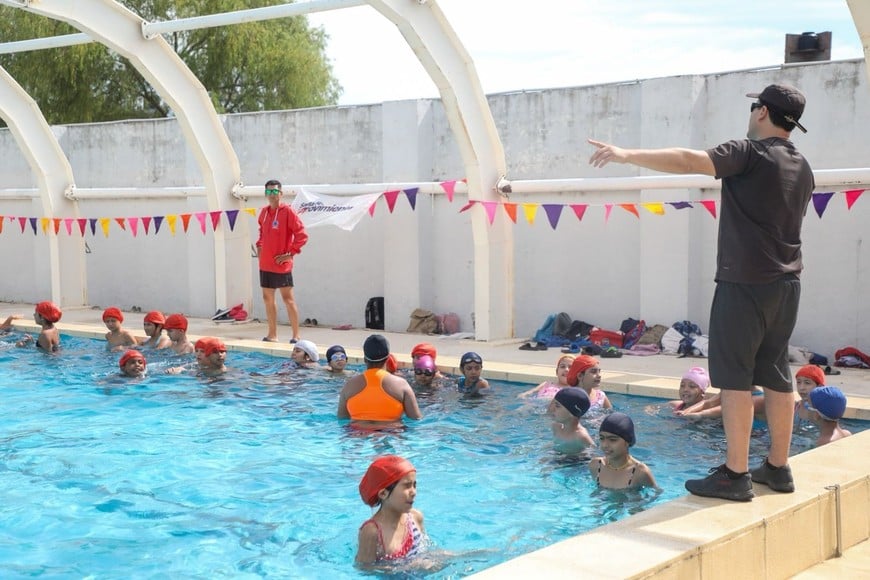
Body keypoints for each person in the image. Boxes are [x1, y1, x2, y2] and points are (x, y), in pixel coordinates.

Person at [590, 83, 813, 501]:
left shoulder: (750, 152)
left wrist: (627, 154)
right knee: (778, 376)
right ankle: (779, 468)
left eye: (754, 107)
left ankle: (735, 473)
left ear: (763, 112)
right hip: (787, 284)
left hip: (744, 284)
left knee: (735, 380)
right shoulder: (802, 166)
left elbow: (690, 159)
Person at [256, 179, 308, 344]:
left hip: (281, 264)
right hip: (265, 264)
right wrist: (259, 246)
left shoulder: (288, 212)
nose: (272, 195)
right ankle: (272, 334)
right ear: (266, 194)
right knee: (267, 298)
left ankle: (296, 335)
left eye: (275, 191)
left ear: (281, 193)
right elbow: (262, 234)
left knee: (288, 299)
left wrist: (290, 254)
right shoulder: (263, 213)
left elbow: (302, 236)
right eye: (269, 192)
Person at [356, 455, 427, 565]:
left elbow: (426, 553)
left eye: (414, 485)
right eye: (407, 486)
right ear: (383, 493)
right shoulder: (372, 532)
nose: (414, 492)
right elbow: (364, 568)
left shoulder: (416, 517)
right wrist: (408, 568)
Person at [338, 334, 422, 424]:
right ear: (388, 359)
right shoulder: (401, 385)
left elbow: (342, 419)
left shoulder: (349, 386)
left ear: (365, 359)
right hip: (390, 435)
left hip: (357, 435)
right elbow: (416, 419)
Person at [588, 413, 657, 490]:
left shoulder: (640, 472)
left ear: (627, 442)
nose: (605, 445)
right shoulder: (596, 465)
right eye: (602, 438)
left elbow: (655, 495)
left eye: (612, 440)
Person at [551, 387, 594, 454]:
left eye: (557, 406)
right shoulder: (556, 427)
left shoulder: (581, 436)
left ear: (572, 412)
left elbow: (595, 454)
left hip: (574, 461)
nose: (553, 409)